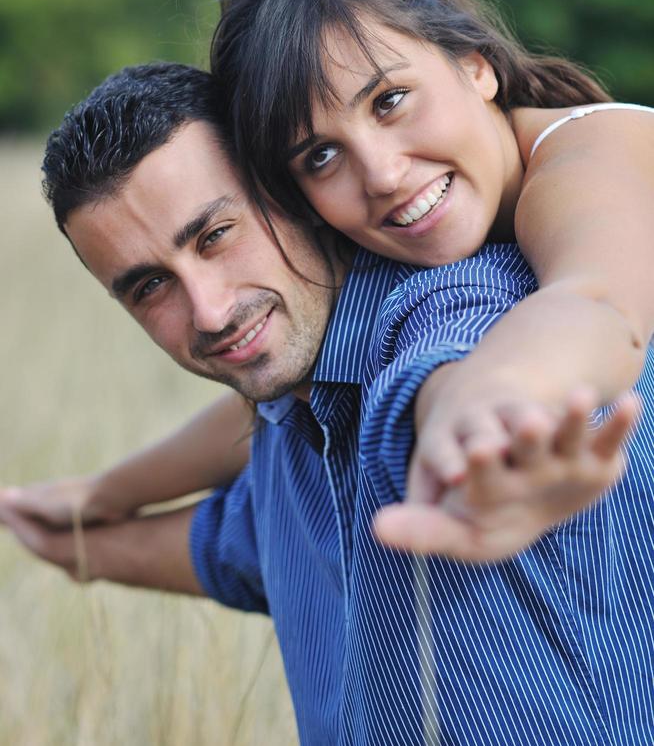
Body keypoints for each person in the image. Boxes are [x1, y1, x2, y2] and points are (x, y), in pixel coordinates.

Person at [2, 62, 653, 745]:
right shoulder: (292, 415)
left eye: (216, 236)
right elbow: (242, 547)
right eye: (149, 287)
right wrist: (71, 534)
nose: (211, 310)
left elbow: (453, 379)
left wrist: (473, 430)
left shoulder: (462, 310)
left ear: (293, 193)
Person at [208, 0, 654, 547]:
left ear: (474, 66)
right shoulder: (384, 253)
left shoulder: (590, 157)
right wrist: (100, 497)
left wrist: (491, 399)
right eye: (322, 156)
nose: (383, 174)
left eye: (389, 101)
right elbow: (287, 405)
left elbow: (597, 301)